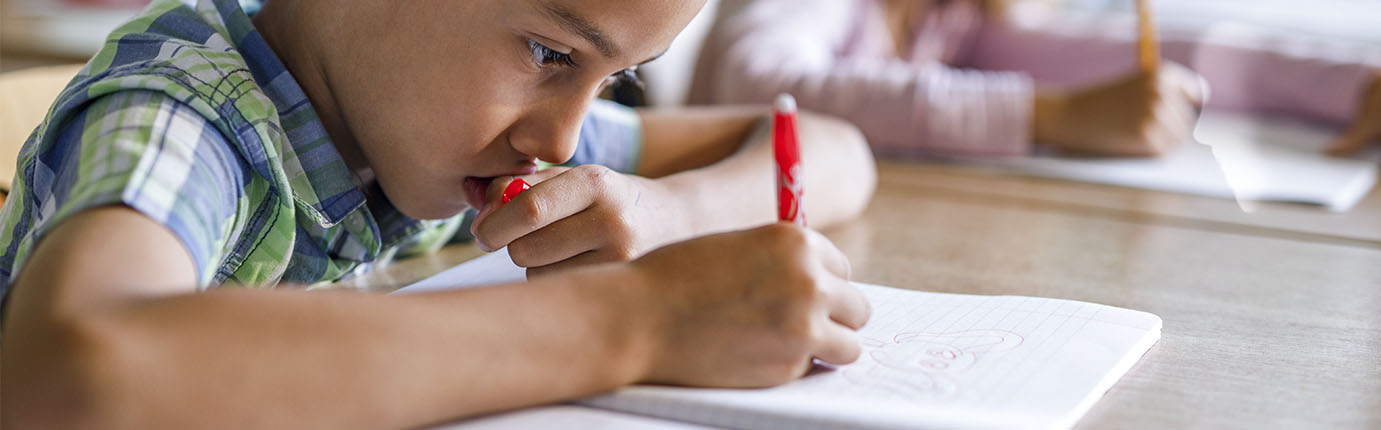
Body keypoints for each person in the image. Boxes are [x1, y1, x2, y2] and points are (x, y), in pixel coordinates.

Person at [0, 0, 878, 427]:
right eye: (548, 53)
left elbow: (832, 149)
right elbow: (74, 370)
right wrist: (639, 322)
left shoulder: (412, 124)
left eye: (616, 82)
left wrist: (665, 207)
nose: (564, 142)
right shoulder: (192, 114)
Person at [691, 0, 1381, 181]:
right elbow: (763, 83)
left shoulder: (958, 16)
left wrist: (1364, 83)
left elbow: (1113, 53)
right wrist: (1061, 114)